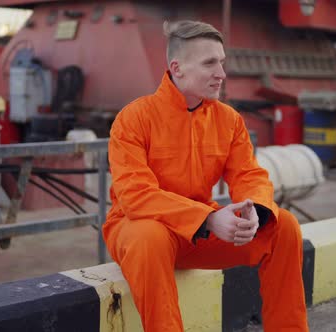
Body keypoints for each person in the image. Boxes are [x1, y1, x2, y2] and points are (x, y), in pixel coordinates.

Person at [103, 20, 308, 332]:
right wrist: (209, 219)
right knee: (149, 237)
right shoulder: (134, 119)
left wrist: (255, 210)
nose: (221, 74)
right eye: (210, 63)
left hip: (197, 231)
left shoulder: (228, 120)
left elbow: (249, 174)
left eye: (222, 62)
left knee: (284, 226)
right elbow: (136, 196)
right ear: (178, 68)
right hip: (138, 228)